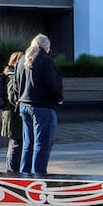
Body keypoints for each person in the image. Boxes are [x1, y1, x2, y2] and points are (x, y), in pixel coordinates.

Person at [14, 33, 63, 177]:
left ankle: (25, 175)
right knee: (42, 145)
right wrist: (59, 98)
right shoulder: (46, 61)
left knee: (28, 144)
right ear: (46, 47)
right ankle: (38, 176)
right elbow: (52, 84)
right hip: (42, 107)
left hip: (24, 105)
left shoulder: (22, 60)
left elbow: (16, 84)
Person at [0, 52, 24, 174]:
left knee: (14, 144)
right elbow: (12, 96)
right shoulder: (12, 77)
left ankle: (12, 170)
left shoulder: (7, 74)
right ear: (15, 62)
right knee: (16, 144)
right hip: (14, 115)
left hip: (9, 115)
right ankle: (12, 171)